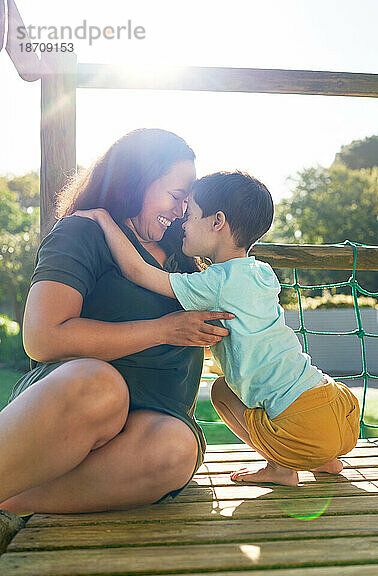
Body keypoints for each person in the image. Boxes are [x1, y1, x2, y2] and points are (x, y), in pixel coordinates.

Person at [73, 170, 361, 487]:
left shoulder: (216, 282)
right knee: (237, 391)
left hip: (298, 423)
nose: (182, 223)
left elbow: (138, 271)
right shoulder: (261, 273)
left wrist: (103, 218)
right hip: (339, 406)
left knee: (220, 393)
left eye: (191, 214)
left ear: (217, 221)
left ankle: (281, 467)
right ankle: (324, 460)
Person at [0, 129, 235, 516]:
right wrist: (164, 329)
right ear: (137, 180)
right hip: (78, 406)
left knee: (177, 447)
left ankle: (12, 509)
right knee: (100, 387)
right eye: (176, 197)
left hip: (150, 427)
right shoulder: (84, 230)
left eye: (187, 203)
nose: (181, 211)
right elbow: (42, 338)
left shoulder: (186, 253)